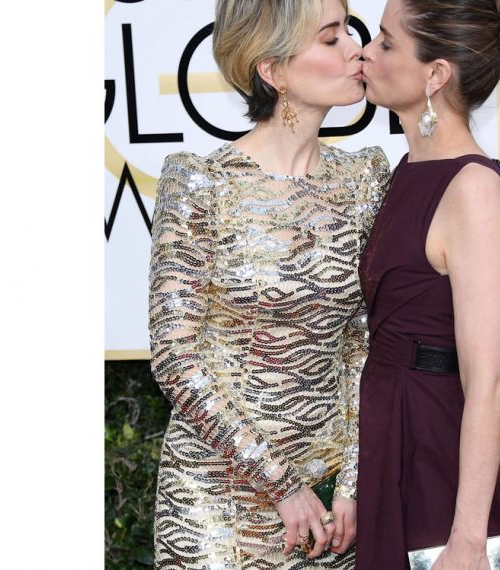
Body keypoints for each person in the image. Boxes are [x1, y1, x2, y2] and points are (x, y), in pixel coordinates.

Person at [147, 0, 391, 567]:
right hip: (214, 502)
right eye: (330, 39)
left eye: (350, 34)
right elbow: (175, 358)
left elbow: (365, 343)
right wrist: (280, 484)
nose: (355, 51)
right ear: (273, 70)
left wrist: (353, 480)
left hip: (330, 506)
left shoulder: (364, 179)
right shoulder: (200, 184)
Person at [354, 0, 500, 568]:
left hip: (439, 454)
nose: (366, 52)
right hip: (395, 437)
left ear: (436, 75)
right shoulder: (409, 170)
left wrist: (467, 539)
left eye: (387, 44)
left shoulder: (473, 189)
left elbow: (488, 379)